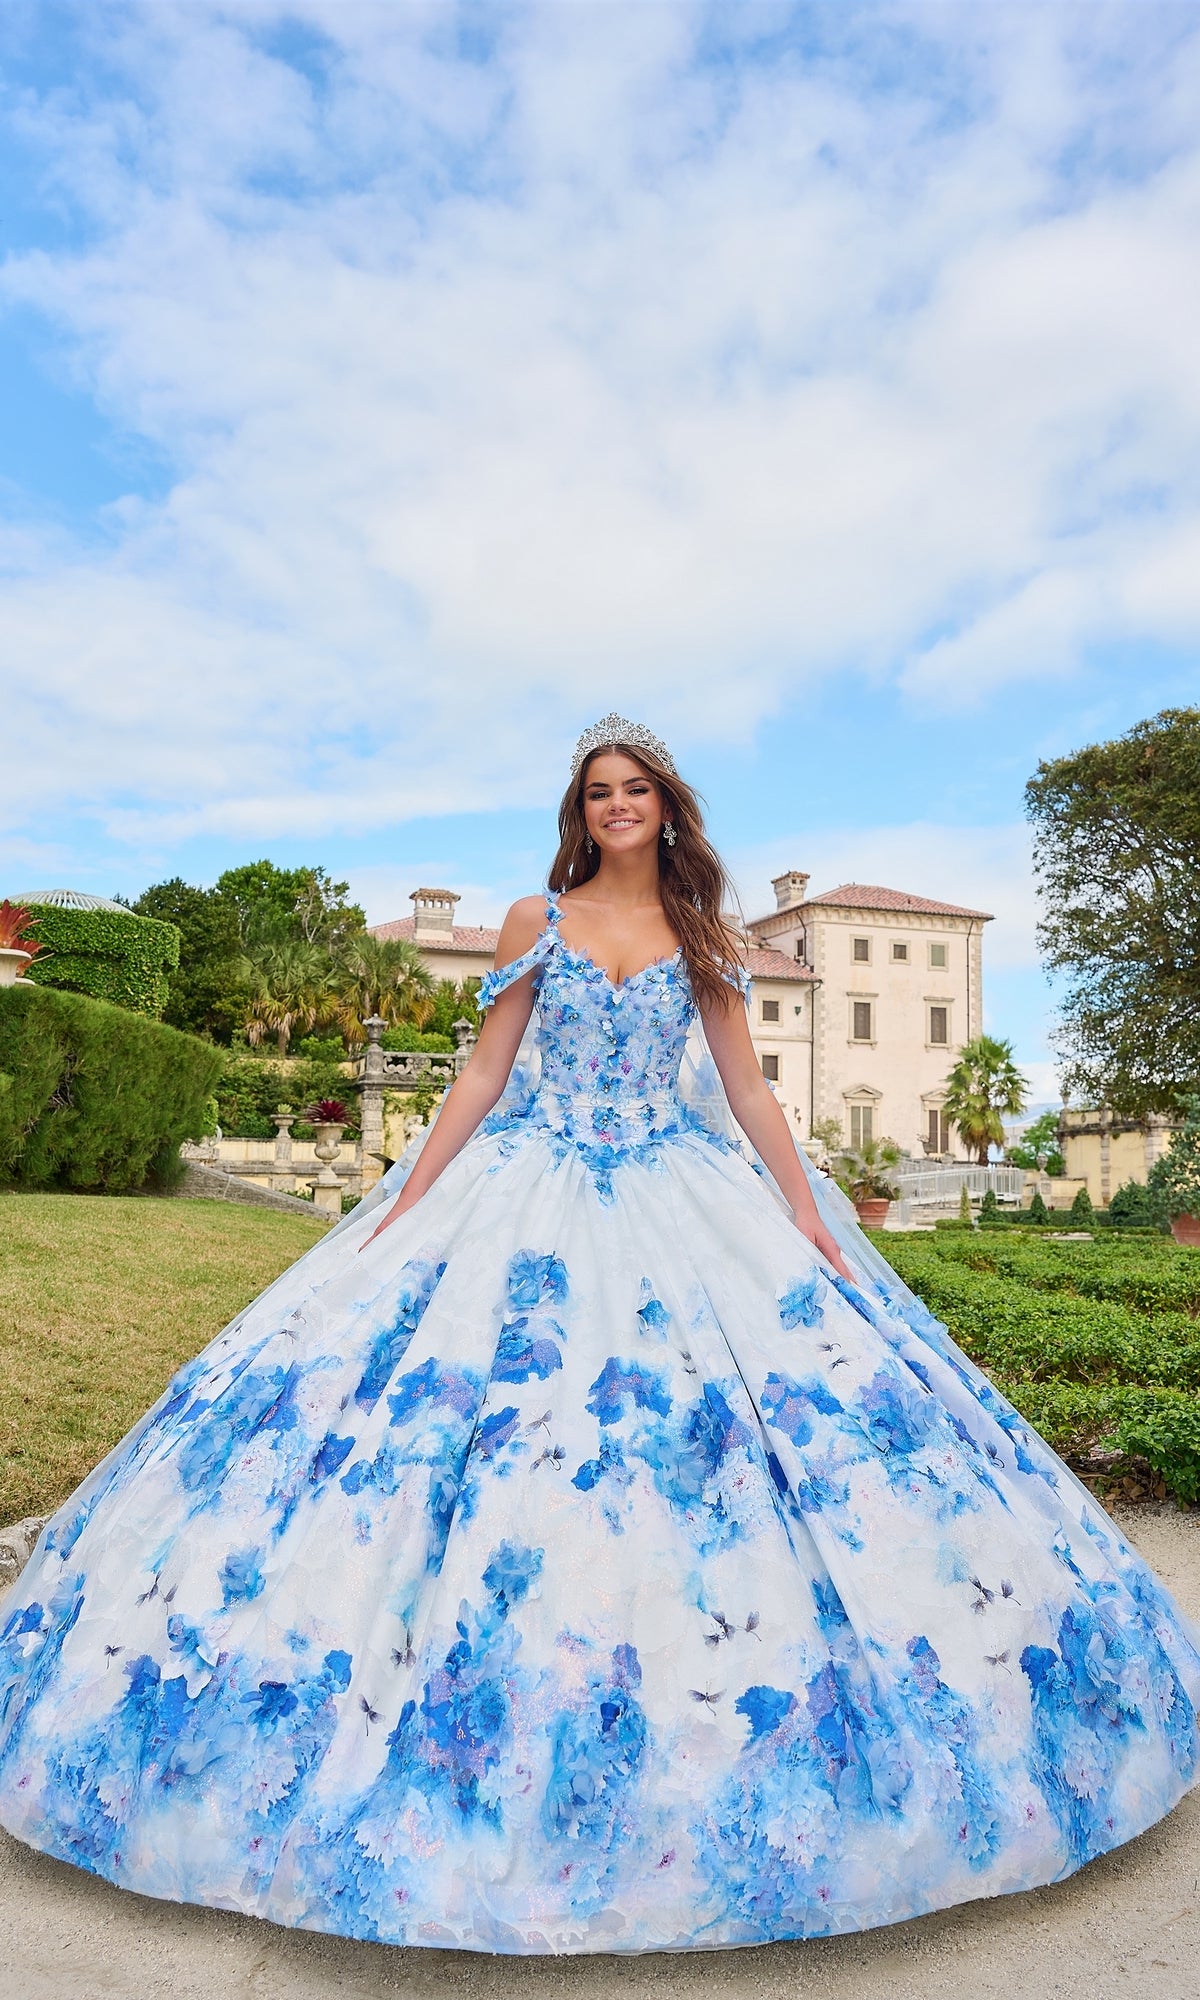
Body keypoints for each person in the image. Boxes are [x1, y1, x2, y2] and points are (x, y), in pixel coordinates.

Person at [0, 716, 1197, 1957]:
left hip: (682, 1189)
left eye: (636, 789)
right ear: (581, 810)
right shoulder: (537, 919)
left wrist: (803, 1211)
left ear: (667, 807)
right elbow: (481, 1072)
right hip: (524, 1185)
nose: (618, 804)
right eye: (598, 790)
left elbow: (744, 1087)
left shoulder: (707, 940)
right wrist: (409, 1201)